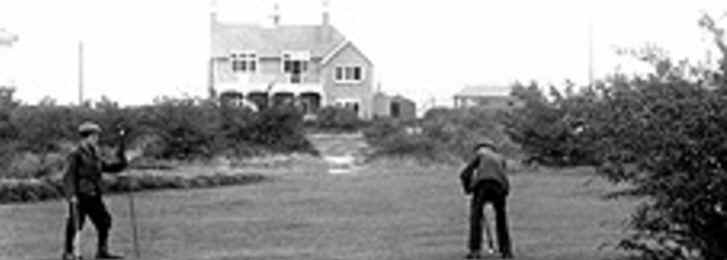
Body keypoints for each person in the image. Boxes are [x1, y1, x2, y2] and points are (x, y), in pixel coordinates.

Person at [62, 122, 128, 260]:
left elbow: (107, 167)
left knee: (104, 221)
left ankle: (102, 252)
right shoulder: (76, 154)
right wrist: (71, 195)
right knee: (75, 225)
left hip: (94, 194)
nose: (97, 138)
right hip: (80, 195)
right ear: (87, 137)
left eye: (97, 136)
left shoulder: (95, 153)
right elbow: (69, 175)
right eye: (95, 136)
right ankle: (69, 253)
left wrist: (121, 161)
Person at [459, 139, 513, 259]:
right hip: (500, 187)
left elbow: (464, 174)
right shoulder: (500, 158)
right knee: (501, 219)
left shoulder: (481, 155)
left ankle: (474, 250)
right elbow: (503, 176)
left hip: (482, 185)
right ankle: (506, 251)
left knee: (475, 218)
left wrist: (468, 189)